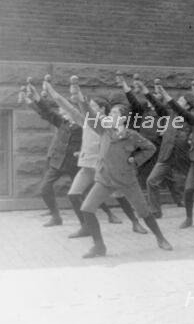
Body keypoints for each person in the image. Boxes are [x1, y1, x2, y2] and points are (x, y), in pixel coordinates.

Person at [42, 80, 148, 237]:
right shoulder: (85, 121)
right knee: (73, 194)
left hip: (105, 168)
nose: (89, 108)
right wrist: (52, 92)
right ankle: (85, 227)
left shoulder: (109, 124)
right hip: (87, 167)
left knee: (119, 195)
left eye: (93, 106)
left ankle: (135, 222)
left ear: (102, 109)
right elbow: (68, 107)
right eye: (89, 106)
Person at [77, 100, 172, 258]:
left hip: (126, 179)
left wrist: (135, 160)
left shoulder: (131, 135)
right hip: (105, 179)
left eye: (114, 113)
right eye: (110, 113)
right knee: (87, 209)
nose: (110, 115)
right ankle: (99, 247)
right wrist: (80, 99)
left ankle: (161, 238)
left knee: (144, 212)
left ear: (122, 119)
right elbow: (90, 115)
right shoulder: (104, 130)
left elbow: (151, 148)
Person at [133, 79, 194, 218]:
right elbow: (156, 103)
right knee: (151, 181)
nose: (177, 102)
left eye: (181, 101)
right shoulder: (168, 114)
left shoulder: (192, 119)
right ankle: (155, 211)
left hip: (183, 156)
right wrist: (145, 89)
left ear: (187, 106)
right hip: (166, 155)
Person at [22, 82, 82, 227]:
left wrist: (81, 152)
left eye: (66, 111)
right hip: (58, 163)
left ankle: (86, 223)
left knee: (80, 194)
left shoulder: (84, 125)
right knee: (44, 188)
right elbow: (48, 112)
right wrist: (37, 98)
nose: (63, 112)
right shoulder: (62, 122)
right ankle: (56, 217)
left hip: (75, 164)